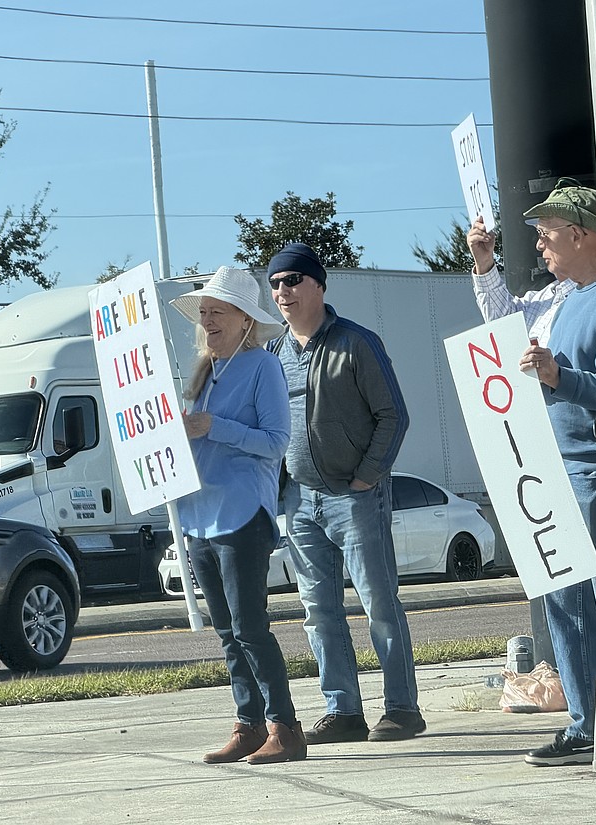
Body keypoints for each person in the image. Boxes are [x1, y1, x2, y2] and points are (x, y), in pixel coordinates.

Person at [265, 242, 426, 745]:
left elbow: (393, 415)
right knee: (318, 612)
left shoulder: (357, 343)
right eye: (274, 283)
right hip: (299, 502)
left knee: (379, 604)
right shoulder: (273, 355)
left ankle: (402, 709)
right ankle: (343, 712)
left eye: (293, 280)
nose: (282, 292)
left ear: (318, 284)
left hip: (354, 498)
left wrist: (366, 478)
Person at [514, 181, 596, 766]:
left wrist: (559, 377)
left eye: (546, 234)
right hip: (555, 473)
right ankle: (586, 723)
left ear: (580, 234)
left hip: (595, 474)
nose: (539, 246)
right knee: (563, 603)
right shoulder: (567, 302)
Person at [168, 265, 305, 765]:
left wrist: (214, 426)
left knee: (249, 627)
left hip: (243, 513)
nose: (207, 321)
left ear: (245, 319)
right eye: (203, 312)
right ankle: (248, 725)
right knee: (228, 632)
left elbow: (276, 442)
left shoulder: (263, 366)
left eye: (217, 312)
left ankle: (285, 728)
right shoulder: (203, 371)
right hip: (199, 516)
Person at [467, 207, 576, 347]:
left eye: (544, 233)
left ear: (576, 235)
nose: (539, 245)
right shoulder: (544, 298)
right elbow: (502, 326)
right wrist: (484, 262)